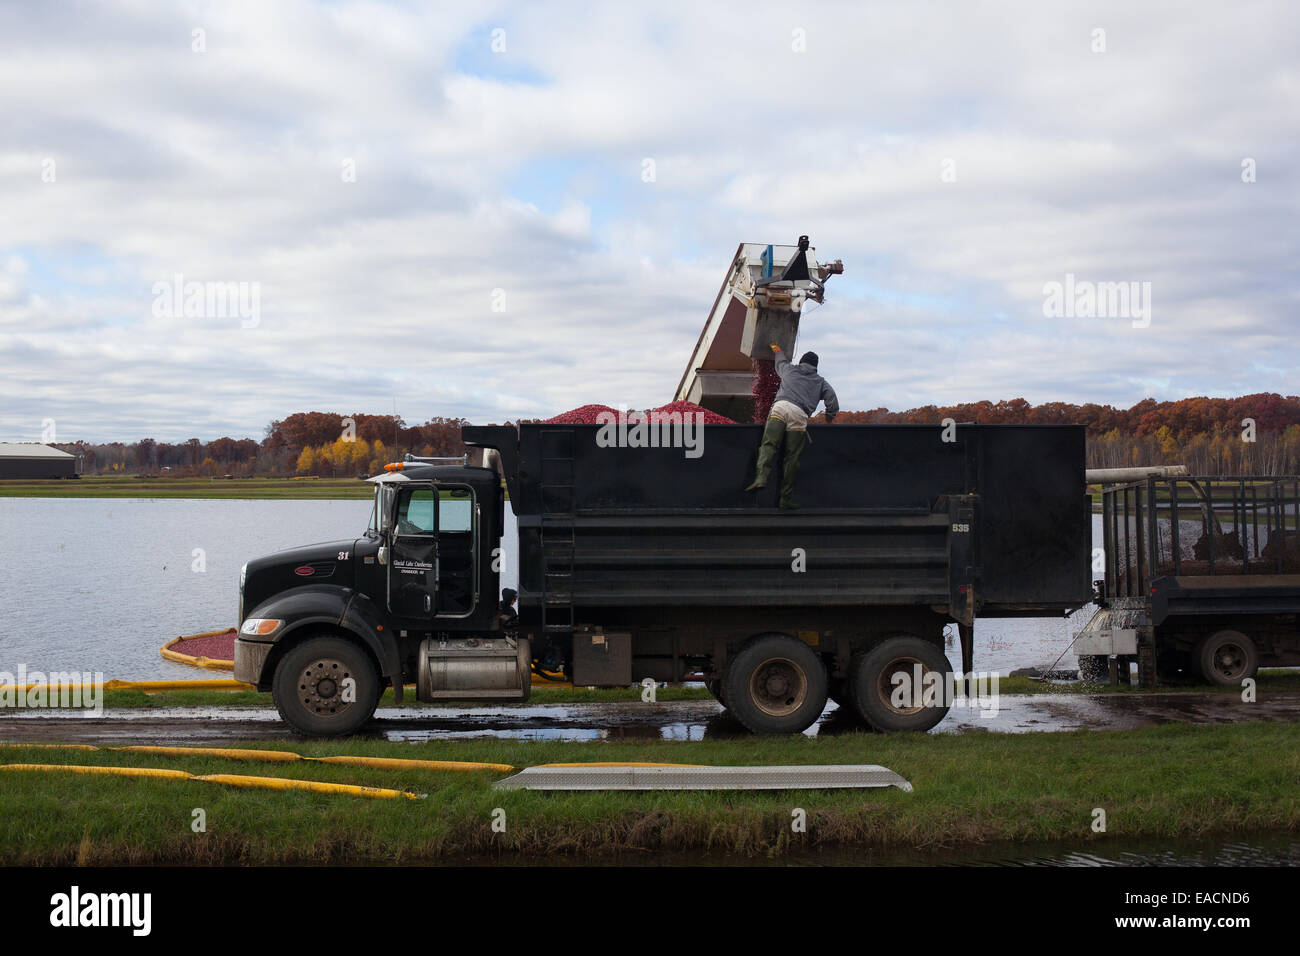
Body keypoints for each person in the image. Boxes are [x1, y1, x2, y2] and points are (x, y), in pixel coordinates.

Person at [744, 342, 839, 508]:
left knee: (768, 445)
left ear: (801, 361)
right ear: (815, 367)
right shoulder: (820, 382)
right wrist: (829, 418)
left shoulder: (789, 369)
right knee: (792, 458)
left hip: (780, 408)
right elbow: (832, 402)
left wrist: (774, 344)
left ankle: (761, 478)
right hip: (799, 415)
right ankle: (785, 499)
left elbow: (779, 357)